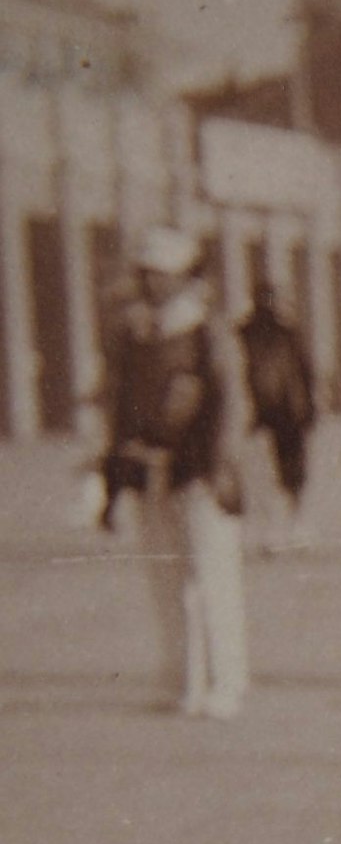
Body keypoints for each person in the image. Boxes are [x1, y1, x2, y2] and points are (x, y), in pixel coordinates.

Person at [104, 225, 251, 719]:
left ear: (186, 278)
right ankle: (184, 678)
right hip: (151, 468)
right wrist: (115, 466)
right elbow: (119, 402)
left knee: (212, 577)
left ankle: (226, 680)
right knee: (166, 579)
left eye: (163, 276)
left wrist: (219, 465)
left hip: (200, 469)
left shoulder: (208, 329)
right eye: (146, 275)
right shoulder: (134, 332)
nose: (152, 285)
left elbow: (231, 403)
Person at [239, 279, 318, 552]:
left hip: (260, 415)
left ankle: (273, 531)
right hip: (286, 414)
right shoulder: (288, 332)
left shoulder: (243, 332)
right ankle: (293, 528)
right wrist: (309, 410)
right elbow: (306, 374)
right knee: (289, 475)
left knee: (267, 475)